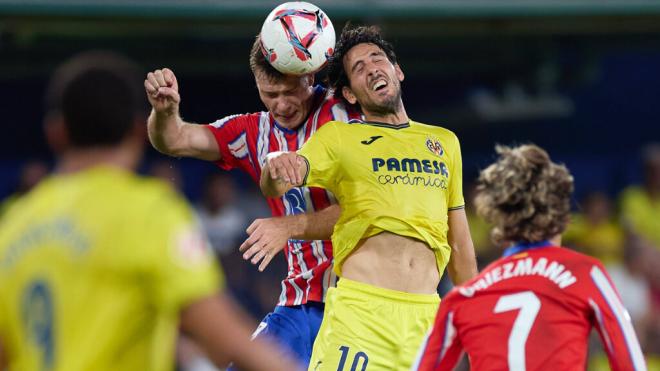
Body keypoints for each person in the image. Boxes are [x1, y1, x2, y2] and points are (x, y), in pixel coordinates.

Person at [0, 51, 299, 371]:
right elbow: (224, 337)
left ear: (55, 133)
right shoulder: (148, 211)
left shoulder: (13, 223)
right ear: (137, 131)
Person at [261, 25, 478, 370]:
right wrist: (276, 170)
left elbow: (460, 242)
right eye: (358, 68)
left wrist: (476, 325)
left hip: (425, 320)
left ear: (397, 71)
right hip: (361, 317)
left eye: (377, 59)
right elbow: (287, 175)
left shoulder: (444, 142)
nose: (372, 67)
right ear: (349, 94)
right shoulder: (339, 137)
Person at [144, 35, 361, 367]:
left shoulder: (349, 117)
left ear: (310, 76)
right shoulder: (252, 132)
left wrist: (291, 226)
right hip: (301, 305)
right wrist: (165, 113)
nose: (282, 105)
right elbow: (174, 139)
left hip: (364, 301)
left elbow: (374, 208)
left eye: (291, 92)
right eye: (269, 94)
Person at [414, 144, 647, 371]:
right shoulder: (586, 273)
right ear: (565, 218)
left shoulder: (464, 296)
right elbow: (631, 364)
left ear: (499, 219)